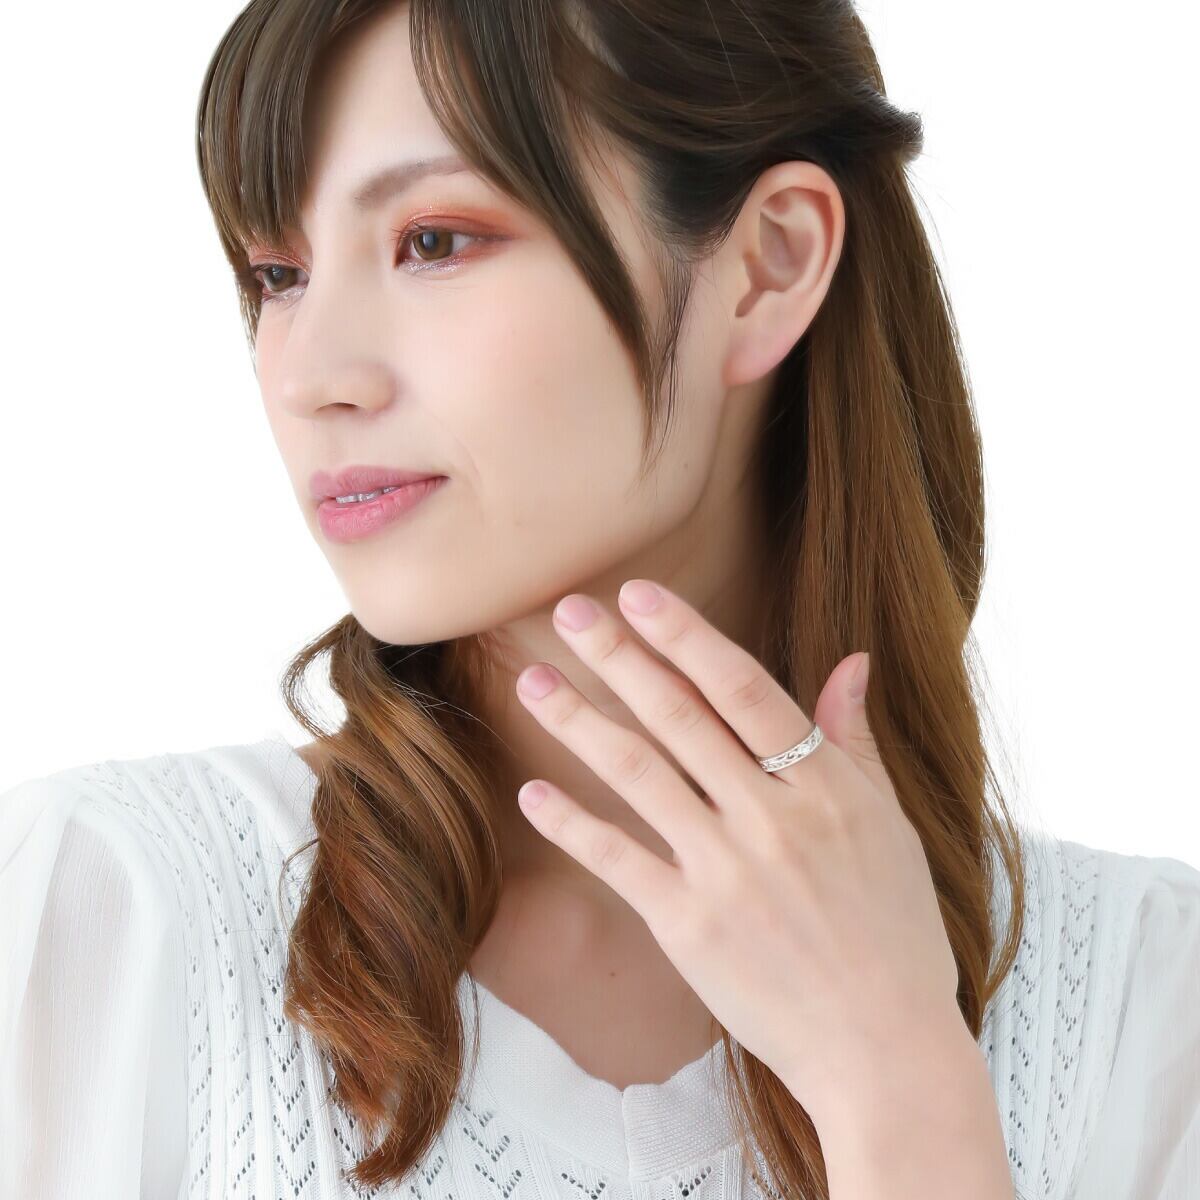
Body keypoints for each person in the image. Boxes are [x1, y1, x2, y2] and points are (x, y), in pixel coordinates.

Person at [2, 1, 1197, 1198]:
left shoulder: (1144, 1003)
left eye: (432, 241)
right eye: (279, 275)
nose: (310, 376)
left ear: (769, 265)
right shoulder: (107, 916)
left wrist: (899, 1082)